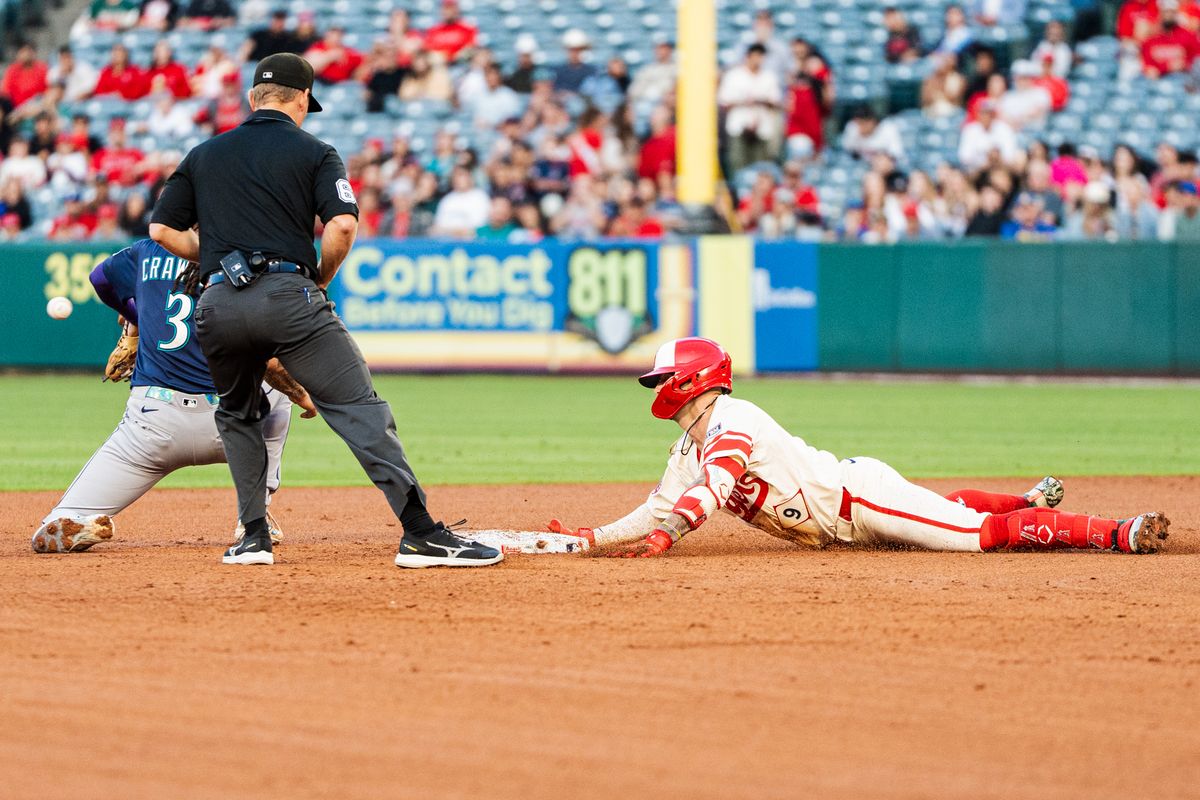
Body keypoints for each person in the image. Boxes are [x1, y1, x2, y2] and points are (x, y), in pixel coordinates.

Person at [149, 53, 500, 568]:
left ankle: (252, 537)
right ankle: (421, 533)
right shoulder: (316, 152)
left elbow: (160, 231)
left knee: (238, 412)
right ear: (300, 102)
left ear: (252, 99)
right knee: (359, 408)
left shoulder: (204, 154)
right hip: (288, 297)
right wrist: (319, 277)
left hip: (218, 305)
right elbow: (342, 226)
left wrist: (226, 259)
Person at [548, 338, 1168, 556]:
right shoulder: (689, 445)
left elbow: (714, 489)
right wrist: (598, 537)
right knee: (945, 513)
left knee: (975, 537)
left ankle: (1116, 531)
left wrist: (670, 536)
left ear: (691, 380)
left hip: (857, 501)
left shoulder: (734, 419)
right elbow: (660, 507)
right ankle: (1026, 499)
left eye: (661, 378)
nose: (656, 389)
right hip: (847, 523)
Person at [31, 239, 308, 554]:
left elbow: (100, 279)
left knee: (61, 519)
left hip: (151, 425)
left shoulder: (148, 250)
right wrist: (304, 394)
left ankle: (76, 519)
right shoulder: (243, 258)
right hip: (231, 423)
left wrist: (136, 318)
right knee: (276, 395)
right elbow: (269, 361)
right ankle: (253, 515)